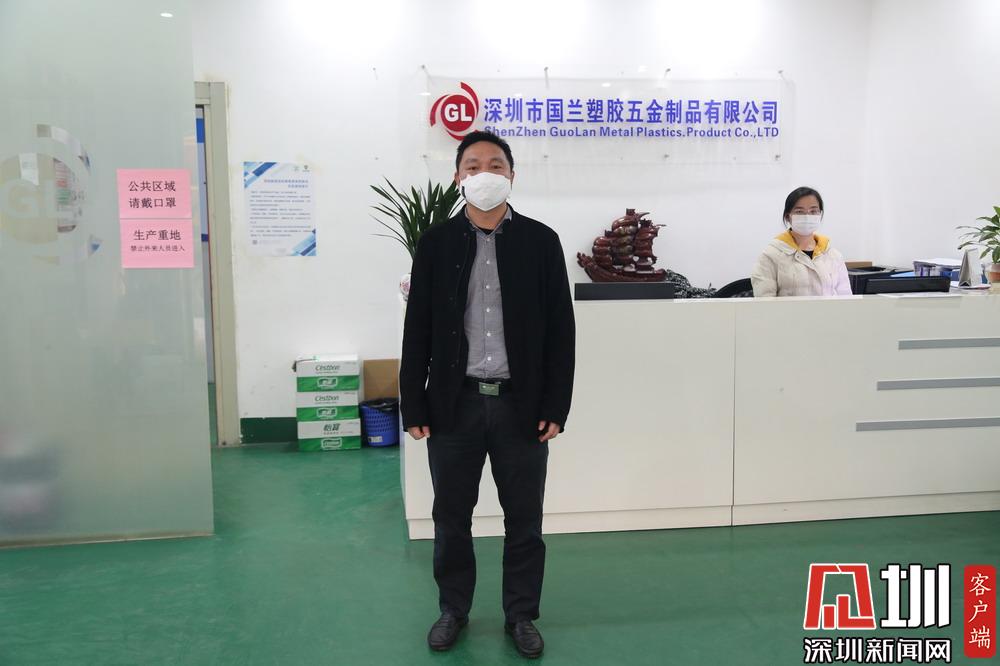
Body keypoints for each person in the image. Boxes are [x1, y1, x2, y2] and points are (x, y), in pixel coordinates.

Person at [399, 130, 575, 659]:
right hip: (454, 405)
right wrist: (414, 401)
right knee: (451, 517)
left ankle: (520, 615)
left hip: (522, 405)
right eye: (472, 165)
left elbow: (560, 331)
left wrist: (556, 405)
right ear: (458, 177)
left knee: (525, 519)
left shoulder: (541, 241)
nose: (484, 174)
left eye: (495, 165)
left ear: (512, 176)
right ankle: (453, 609)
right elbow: (418, 328)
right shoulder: (436, 243)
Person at [751, 186, 852, 297]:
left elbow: (846, 299)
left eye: (813, 211)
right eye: (799, 211)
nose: (807, 216)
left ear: (820, 214)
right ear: (788, 217)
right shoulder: (771, 256)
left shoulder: (833, 255)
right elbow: (764, 302)